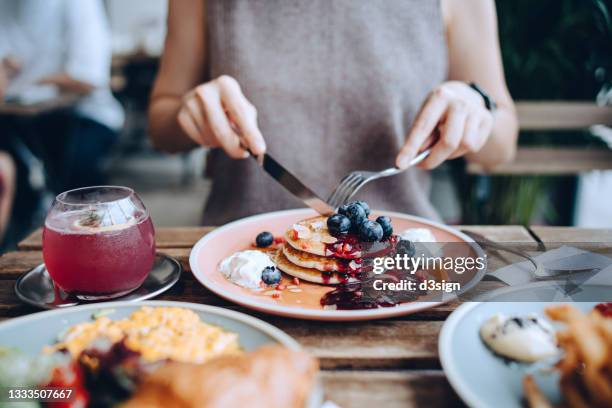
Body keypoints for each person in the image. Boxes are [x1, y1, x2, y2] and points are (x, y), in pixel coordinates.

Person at [149, 0, 518, 224]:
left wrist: (475, 106)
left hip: (401, 266)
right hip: (237, 259)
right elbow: (161, 125)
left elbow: (503, 144)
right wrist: (190, 114)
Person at [0, 0, 124, 193]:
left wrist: (28, 83)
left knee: (76, 168)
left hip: (85, 115)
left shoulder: (78, 4)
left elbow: (88, 78)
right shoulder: (6, 8)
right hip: (20, 117)